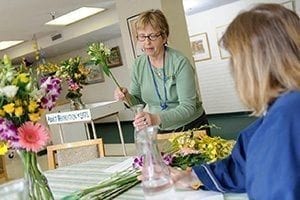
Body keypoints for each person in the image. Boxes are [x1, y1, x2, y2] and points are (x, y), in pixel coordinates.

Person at [170, 3, 300, 199]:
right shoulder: (281, 110)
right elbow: (241, 165)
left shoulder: (287, 119)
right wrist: (192, 177)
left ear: (254, 64)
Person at [114, 9, 209, 134]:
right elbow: (137, 101)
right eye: (142, 36)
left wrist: (156, 118)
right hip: (160, 127)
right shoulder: (138, 64)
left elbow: (188, 107)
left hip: (191, 126)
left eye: (153, 36)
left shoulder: (180, 62)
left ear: (164, 37)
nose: (147, 42)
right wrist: (126, 96)